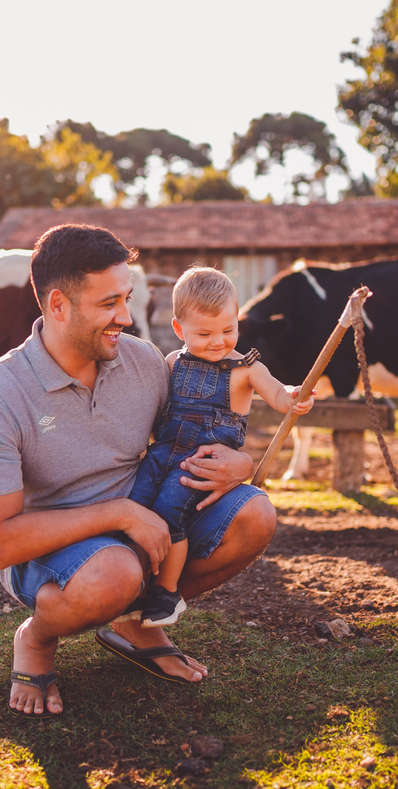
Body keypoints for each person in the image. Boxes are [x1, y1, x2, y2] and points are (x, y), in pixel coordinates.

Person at [0, 224, 278, 719]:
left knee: (254, 514)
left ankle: (136, 623)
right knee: (114, 571)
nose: (126, 318)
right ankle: (38, 638)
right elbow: (0, 543)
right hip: (52, 550)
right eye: (110, 304)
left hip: (147, 520)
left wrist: (239, 463)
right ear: (59, 305)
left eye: (126, 299)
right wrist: (120, 514)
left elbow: (186, 436)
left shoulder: (147, 362)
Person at [122, 267, 313, 627]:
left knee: (168, 512)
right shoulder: (173, 362)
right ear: (180, 330)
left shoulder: (245, 368)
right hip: (162, 453)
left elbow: (275, 390)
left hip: (200, 464)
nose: (218, 341)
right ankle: (130, 578)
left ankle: (166, 592)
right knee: (136, 502)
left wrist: (292, 396)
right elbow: (157, 409)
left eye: (228, 330)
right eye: (204, 333)